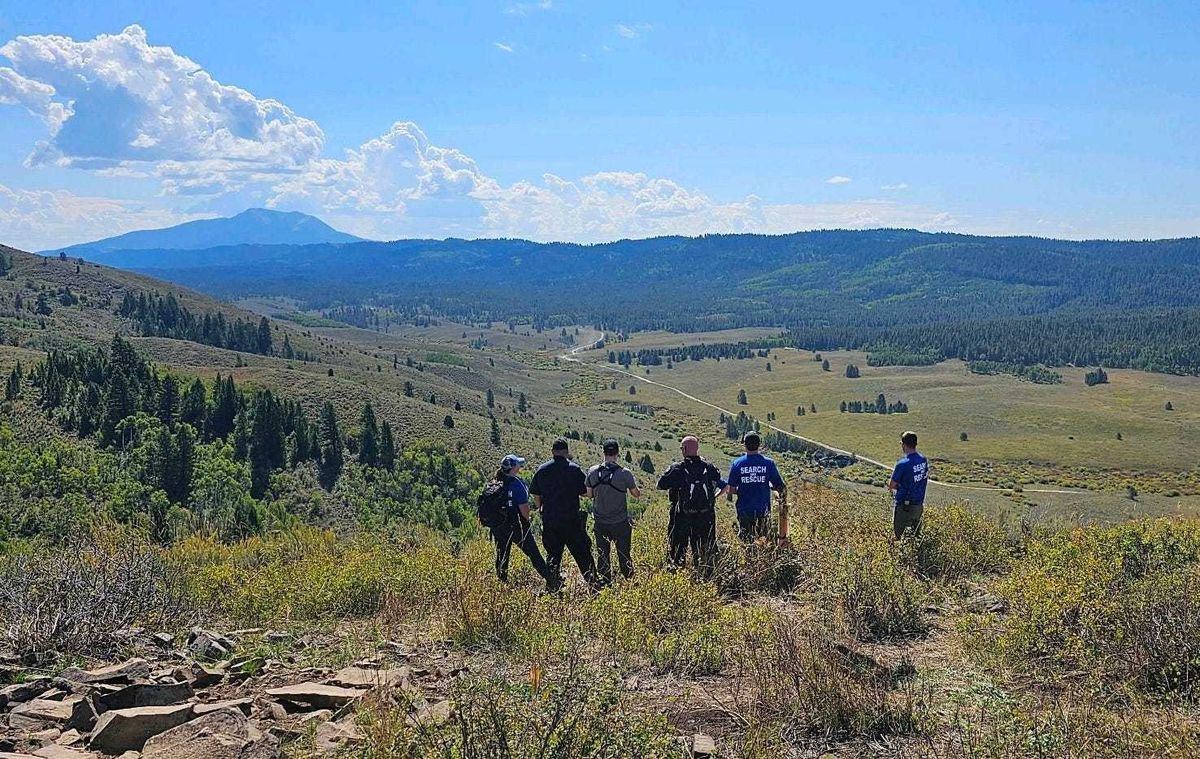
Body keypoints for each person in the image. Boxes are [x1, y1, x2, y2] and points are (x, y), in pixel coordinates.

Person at [530, 438, 599, 591]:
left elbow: (536, 493)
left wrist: (540, 507)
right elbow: (586, 493)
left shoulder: (542, 470)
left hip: (550, 519)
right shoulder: (574, 469)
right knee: (582, 553)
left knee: (553, 555)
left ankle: (552, 587)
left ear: (552, 452)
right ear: (567, 452)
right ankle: (593, 585)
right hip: (571, 519)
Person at [479, 454, 553, 588]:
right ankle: (552, 582)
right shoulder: (517, 484)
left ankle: (501, 583)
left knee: (502, 554)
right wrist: (526, 522)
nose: (520, 466)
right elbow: (524, 509)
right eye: (518, 464)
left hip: (498, 525)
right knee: (534, 554)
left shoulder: (495, 482)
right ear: (513, 468)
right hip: (516, 525)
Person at [657, 435, 727, 576]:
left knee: (677, 551)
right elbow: (724, 486)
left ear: (684, 449)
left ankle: (677, 578)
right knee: (704, 550)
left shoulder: (677, 468)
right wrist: (714, 497)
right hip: (705, 517)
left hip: (681, 517)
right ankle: (705, 577)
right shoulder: (709, 467)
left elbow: (660, 485)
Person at [586, 439, 641, 585]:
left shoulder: (592, 471)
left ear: (603, 452)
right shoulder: (624, 473)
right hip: (620, 522)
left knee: (603, 555)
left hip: (600, 522)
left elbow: (589, 495)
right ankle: (629, 580)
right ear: (617, 453)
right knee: (624, 554)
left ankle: (605, 582)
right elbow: (636, 494)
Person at [727, 432, 787, 543]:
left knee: (747, 542)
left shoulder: (737, 464)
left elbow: (731, 489)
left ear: (744, 445)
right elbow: (780, 486)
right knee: (764, 540)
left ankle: (749, 559)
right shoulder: (769, 463)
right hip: (763, 509)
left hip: (744, 510)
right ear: (759, 445)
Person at [888, 431, 929, 539]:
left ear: (904, 444)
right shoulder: (923, 460)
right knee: (915, 536)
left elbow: (892, 485)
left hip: (904, 506)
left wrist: (901, 487)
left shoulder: (902, 464)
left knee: (899, 536)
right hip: (918, 504)